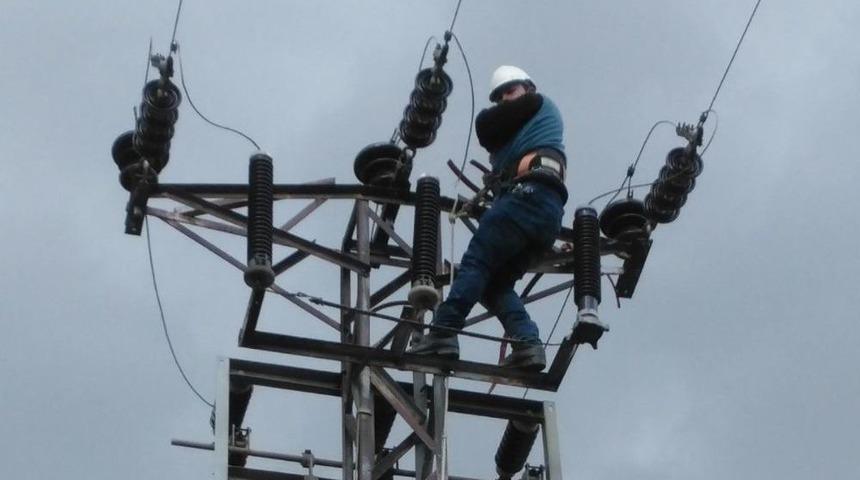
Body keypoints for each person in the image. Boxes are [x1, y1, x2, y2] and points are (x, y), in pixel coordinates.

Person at [409, 65, 568, 371]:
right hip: (545, 214)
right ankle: (527, 344)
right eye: (500, 96)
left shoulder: (537, 103)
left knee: (475, 265)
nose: (505, 100)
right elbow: (493, 136)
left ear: (528, 88)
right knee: (495, 286)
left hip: (526, 198)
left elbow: (485, 127)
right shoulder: (525, 132)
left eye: (511, 92)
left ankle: (443, 333)